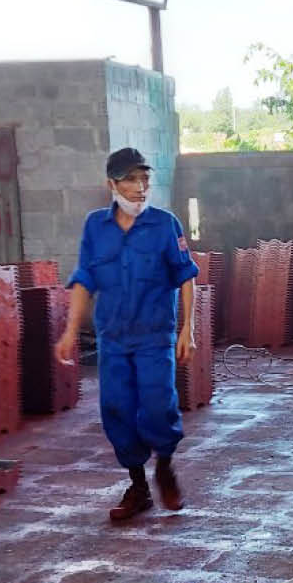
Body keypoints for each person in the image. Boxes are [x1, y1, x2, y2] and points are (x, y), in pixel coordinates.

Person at [56, 147, 199, 521]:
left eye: (144, 179)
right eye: (131, 180)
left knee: (158, 405)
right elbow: (84, 279)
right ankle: (138, 486)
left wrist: (188, 328)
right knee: (116, 409)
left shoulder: (165, 225)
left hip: (154, 336)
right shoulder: (95, 227)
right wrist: (70, 331)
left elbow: (186, 276)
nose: (140, 188)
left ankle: (164, 468)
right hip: (114, 338)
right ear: (112, 185)